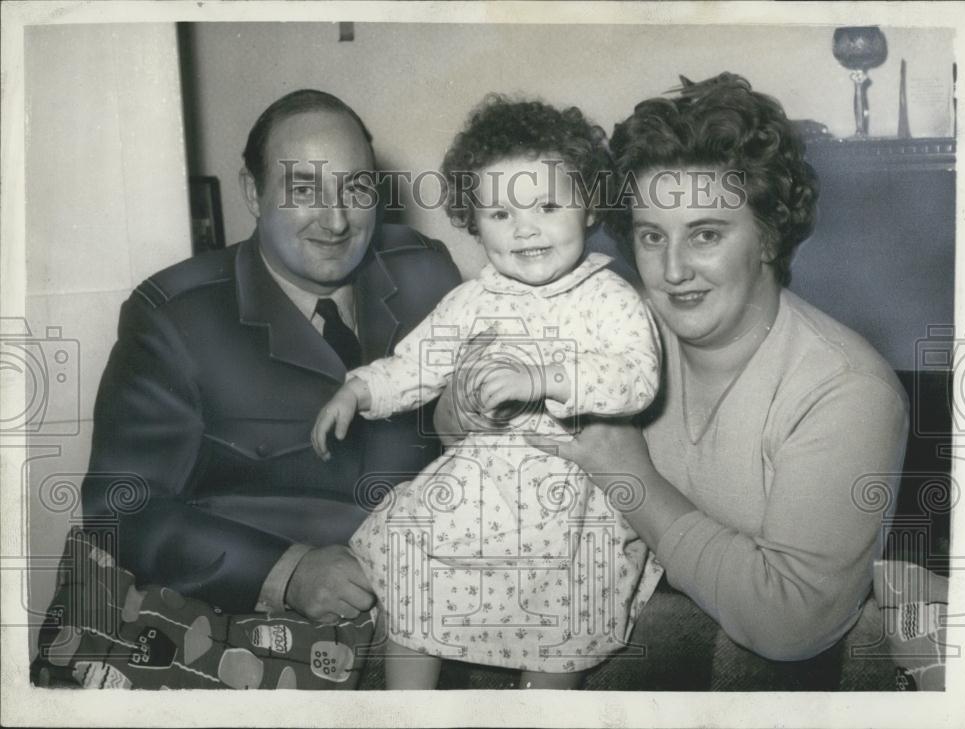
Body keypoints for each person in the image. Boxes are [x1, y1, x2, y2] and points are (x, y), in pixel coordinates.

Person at [436, 75, 910, 687]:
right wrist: (467, 401)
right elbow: (461, 432)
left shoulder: (847, 392)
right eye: (652, 236)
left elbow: (790, 623)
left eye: (706, 234)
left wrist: (629, 477)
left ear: (767, 237)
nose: (674, 269)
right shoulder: (608, 326)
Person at [37, 89, 462, 689]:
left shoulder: (426, 270)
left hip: (422, 624)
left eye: (356, 188)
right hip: (251, 646)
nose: (337, 220)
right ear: (251, 192)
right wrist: (286, 572)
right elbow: (121, 507)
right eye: (304, 189)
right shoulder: (175, 317)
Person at [312, 96, 663, 689]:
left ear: (589, 205)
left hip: (569, 500)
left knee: (561, 621)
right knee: (417, 576)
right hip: (481, 491)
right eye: (500, 214)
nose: (526, 228)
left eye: (548, 205)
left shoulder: (610, 297)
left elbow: (636, 378)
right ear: (474, 223)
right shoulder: (475, 298)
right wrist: (359, 390)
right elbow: (417, 362)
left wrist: (545, 379)